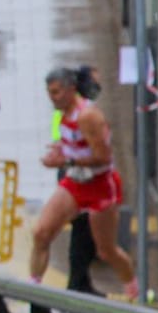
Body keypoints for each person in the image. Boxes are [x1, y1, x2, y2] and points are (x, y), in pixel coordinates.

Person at [29, 65, 137, 301]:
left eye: (56, 92)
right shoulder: (63, 115)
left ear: (71, 90)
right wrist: (59, 151)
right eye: (49, 92)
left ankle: (132, 287)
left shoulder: (88, 116)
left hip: (99, 184)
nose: (52, 98)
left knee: (106, 250)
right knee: (41, 233)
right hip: (75, 181)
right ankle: (33, 288)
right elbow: (72, 144)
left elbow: (103, 157)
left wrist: (65, 160)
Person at [51, 100, 100, 295]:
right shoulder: (76, 112)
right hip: (77, 175)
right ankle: (77, 284)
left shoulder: (79, 110)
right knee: (82, 231)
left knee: (84, 233)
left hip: (80, 174)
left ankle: (80, 282)